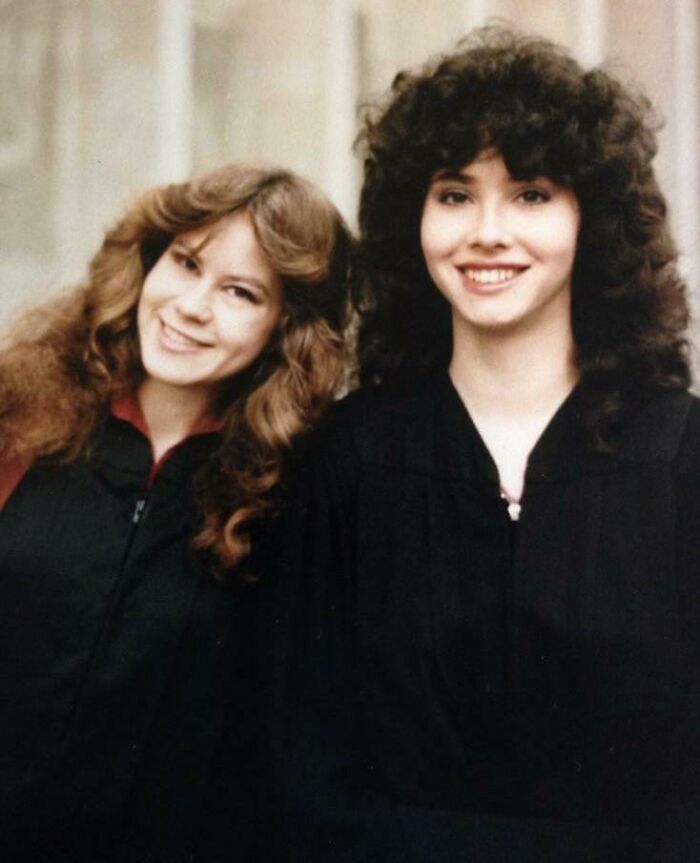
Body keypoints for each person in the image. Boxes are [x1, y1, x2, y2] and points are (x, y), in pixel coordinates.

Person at [266, 26, 700, 862]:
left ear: (593, 218)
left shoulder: (680, 458)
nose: (487, 232)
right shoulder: (350, 459)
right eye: (454, 194)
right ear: (412, 217)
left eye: (532, 193)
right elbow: (301, 764)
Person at [0, 162, 350, 861]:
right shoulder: (21, 417)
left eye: (241, 292)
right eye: (186, 263)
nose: (192, 305)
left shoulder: (295, 493)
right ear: (148, 259)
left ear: (287, 325)